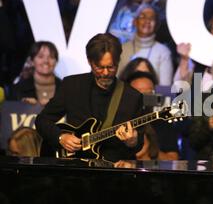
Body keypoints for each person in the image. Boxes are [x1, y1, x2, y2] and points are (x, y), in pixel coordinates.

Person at [35, 33, 144, 163]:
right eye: (99, 67)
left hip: (114, 171)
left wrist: (132, 141)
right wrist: (60, 137)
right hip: (76, 167)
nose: (105, 73)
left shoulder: (132, 97)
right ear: (89, 61)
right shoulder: (72, 85)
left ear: (118, 61)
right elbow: (42, 120)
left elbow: (138, 144)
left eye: (111, 67)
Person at [4, 127, 57, 204]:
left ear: (29, 151)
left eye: (16, 154)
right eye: (10, 153)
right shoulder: (9, 178)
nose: (11, 158)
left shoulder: (47, 182)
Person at [8, 41, 61, 106]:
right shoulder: (17, 89)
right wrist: (26, 106)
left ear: (56, 61)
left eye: (51, 57)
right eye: (40, 57)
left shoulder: (68, 90)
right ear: (32, 61)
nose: (46, 61)